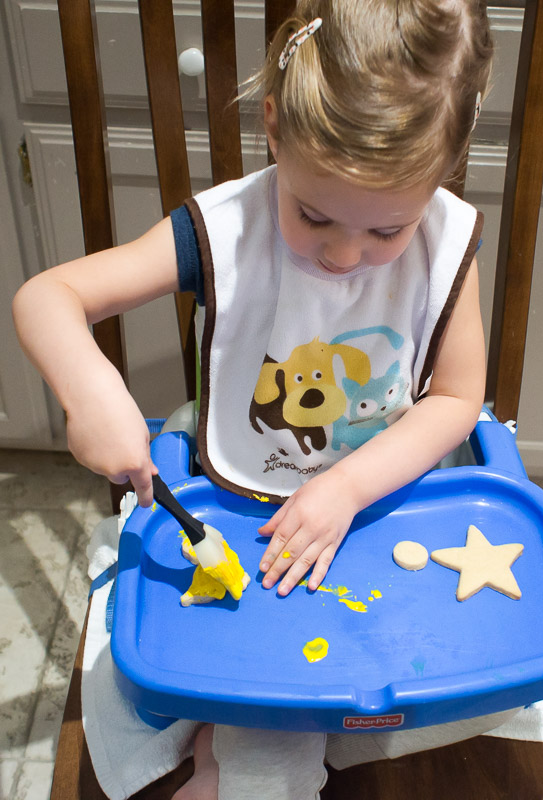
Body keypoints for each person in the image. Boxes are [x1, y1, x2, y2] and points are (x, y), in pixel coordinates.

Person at [13, 1, 501, 798]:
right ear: (274, 128)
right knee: (195, 687)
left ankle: (237, 754)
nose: (346, 255)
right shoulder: (227, 228)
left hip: (377, 507)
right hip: (237, 503)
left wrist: (343, 487)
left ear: (443, 174)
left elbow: (456, 400)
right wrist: (91, 386)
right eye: (313, 215)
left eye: (388, 233)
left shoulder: (448, 241)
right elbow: (47, 296)